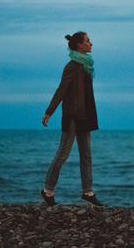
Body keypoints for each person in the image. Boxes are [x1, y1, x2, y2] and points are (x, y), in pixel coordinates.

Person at [40, 32, 104, 207]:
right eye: (88, 41)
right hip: (73, 116)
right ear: (79, 45)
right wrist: (49, 111)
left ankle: (88, 192)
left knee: (87, 156)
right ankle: (47, 191)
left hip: (86, 116)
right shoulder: (72, 66)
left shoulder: (86, 66)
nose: (91, 44)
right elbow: (61, 90)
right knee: (62, 155)